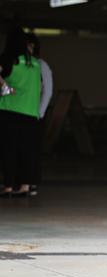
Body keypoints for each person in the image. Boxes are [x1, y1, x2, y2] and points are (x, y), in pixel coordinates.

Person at [0, 27, 42, 197]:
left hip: (10, 111)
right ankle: (25, 186)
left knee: (8, 150)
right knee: (26, 151)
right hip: (31, 113)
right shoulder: (35, 63)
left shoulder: (9, 59)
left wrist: (6, 87)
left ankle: (8, 186)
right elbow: (41, 88)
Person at [27, 32, 53, 196]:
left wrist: (40, 112)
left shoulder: (41, 65)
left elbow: (47, 91)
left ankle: (32, 182)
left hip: (35, 114)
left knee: (32, 150)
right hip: (24, 112)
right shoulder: (20, 64)